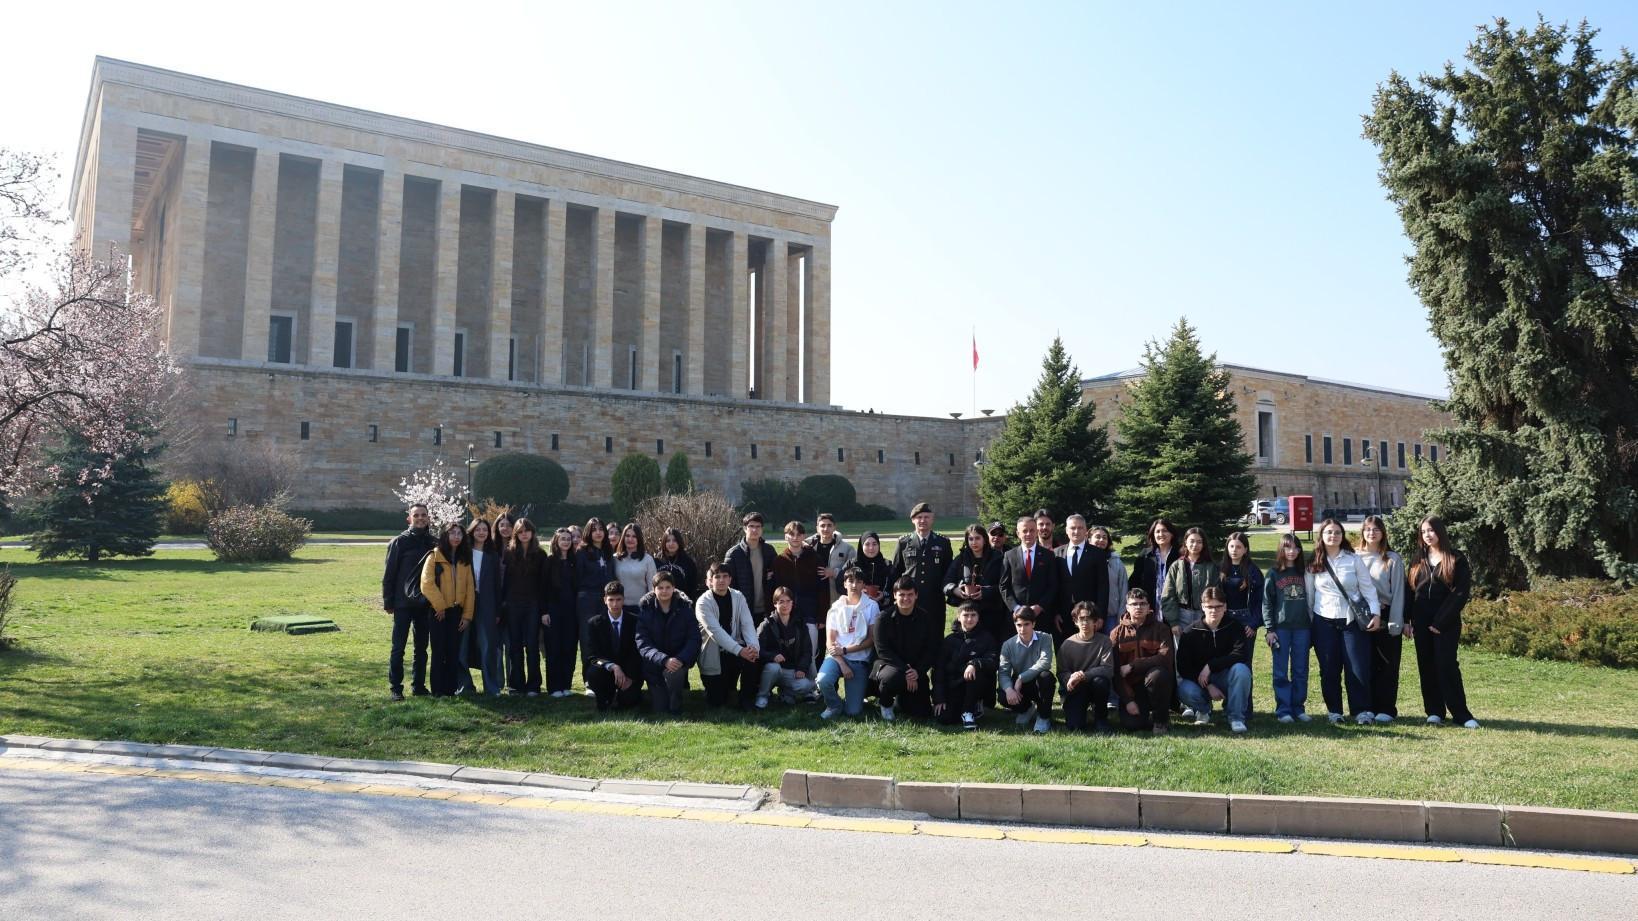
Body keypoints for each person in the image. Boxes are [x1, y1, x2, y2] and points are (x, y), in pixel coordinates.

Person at [1306, 517, 1381, 724]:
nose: (1333, 536)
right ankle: (1334, 712)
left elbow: (1367, 589)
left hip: (1351, 621)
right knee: (1329, 669)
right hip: (1324, 621)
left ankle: (1362, 711)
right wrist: (1311, 624)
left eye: (1337, 532)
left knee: (1357, 668)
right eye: (1329, 532)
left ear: (1342, 536)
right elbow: (1310, 596)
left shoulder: (1353, 559)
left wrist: (1375, 614)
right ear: (1321, 535)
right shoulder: (1314, 562)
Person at [1408, 516, 1478, 729]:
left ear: (1440, 531)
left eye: (1431, 530)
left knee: (1446, 665)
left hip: (1445, 624)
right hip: (1420, 622)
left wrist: (1440, 622)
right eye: (1423, 532)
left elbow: (1460, 593)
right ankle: (1434, 711)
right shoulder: (1417, 559)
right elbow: (1410, 591)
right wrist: (1407, 620)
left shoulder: (1455, 558)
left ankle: (1461, 713)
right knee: (1426, 666)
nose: (1427, 535)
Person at [1175, 587, 1252, 733]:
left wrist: (1210, 665)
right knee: (1184, 688)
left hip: (1227, 677)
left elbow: (1241, 654)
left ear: (1225, 607)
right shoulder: (1190, 632)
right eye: (1210, 606)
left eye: (1218, 606)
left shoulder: (1234, 626)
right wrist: (1208, 685)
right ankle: (1204, 710)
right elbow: (1183, 666)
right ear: (1203, 607)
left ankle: (1236, 717)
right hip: (1201, 681)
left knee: (1242, 671)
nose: (1214, 611)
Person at [381, 504, 436, 701]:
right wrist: (388, 601)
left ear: (428, 518)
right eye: (416, 515)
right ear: (409, 519)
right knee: (398, 647)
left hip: (425, 604)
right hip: (402, 603)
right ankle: (396, 688)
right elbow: (389, 574)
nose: (420, 518)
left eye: (423, 515)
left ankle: (419, 686)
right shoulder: (399, 542)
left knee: (422, 647)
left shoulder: (433, 543)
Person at [1358, 515, 1407, 723]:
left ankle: (1386, 708)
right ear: (1363, 532)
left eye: (1376, 529)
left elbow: (1398, 593)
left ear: (1383, 533)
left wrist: (1396, 622)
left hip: (1387, 615)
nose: (1372, 533)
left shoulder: (1392, 559)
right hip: (1361, 616)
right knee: (1365, 664)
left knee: (1387, 664)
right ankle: (1366, 707)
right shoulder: (1354, 557)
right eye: (1368, 529)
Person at [419, 520, 475, 697]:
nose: (456, 537)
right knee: (439, 651)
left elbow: (470, 589)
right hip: (438, 612)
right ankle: (437, 690)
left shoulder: (464, 559)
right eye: (452, 533)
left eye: (459, 534)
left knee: (453, 651)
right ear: (445, 535)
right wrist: (440, 606)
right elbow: (426, 584)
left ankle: (450, 689)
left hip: (457, 612)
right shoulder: (434, 556)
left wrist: (467, 615)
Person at [870, 579, 940, 720]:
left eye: (910, 594)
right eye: (901, 594)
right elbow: (883, 651)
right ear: (895, 595)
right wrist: (907, 670)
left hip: (915, 668)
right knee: (892, 678)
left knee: (922, 712)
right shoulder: (883, 618)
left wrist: (918, 671)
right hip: (889, 665)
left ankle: (900, 701)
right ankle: (886, 703)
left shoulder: (926, 618)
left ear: (916, 596)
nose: (906, 598)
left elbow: (931, 649)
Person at [695, 560, 760, 709]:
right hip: (714, 654)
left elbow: (747, 624)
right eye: (717, 577)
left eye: (725, 576)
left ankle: (747, 700)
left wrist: (753, 647)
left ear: (730, 579)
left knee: (753, 659)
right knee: (718, 701)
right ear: (710, 581)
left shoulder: (738, 596)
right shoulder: (703, 602)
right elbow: (715, 632)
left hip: (736, 650)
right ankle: (719, 689)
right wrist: (740, 650)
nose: (721, 580)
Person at [1262, 532, 1312, 723]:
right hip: (1281, 629)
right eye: (1287, 547)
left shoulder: (1304, 571)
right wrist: (1269, 628)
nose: (1291, 551)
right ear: (1281, 549)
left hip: (1302, 628)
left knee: (1300, 669)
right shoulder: (1273, 573)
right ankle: (1283, 709)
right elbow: (1267, 603)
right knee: (1280, 670)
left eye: (1295, 547)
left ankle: (1298, 707)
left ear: (1299, 550)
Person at [635, 570, 701, 716]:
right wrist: (664, 659)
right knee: (660, 708)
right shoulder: (645, 610)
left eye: (667, 587)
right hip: (654, 665)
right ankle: (663, 696)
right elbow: (642, 642)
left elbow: (694, 638)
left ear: (673, 588)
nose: (664, 591)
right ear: (653, 590)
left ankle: (676, 703)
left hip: (677, 663)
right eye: (660, 588)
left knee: (674, 675)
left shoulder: (685, 609)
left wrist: (680, 659)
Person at [816, 567, 878, 719]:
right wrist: (842, 663)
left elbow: (871, 640)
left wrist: (845, 650)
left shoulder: (871, 606)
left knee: (853, 712)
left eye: (858, 582)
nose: (854, 585)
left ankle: (851, 702)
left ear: (864, 585)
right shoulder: (836, 607)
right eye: (850, 581)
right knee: (822, 680)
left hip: (859, 660)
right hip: (836, 658)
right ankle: (834, 705)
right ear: (844, 584)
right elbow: (830, 642)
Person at [1111, 588, 1174, 733]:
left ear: (1148, 607)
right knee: (1132, 725)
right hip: (1131, 688)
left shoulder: (1162, 629)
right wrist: (1128, 700)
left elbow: (1165, 658)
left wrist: (1133, 666)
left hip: (1154, 681)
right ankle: (1143, 715)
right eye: (1134, 604)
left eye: (1142, 604)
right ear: (1127, 607)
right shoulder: (1116, 633)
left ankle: (1160, 720)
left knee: (1158, 675)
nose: (1138, 607)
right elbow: (1115, 671)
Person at [498, 517, 547, 696]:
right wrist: (502, 604)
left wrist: (543, 609)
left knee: (532, 645)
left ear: (532, 532)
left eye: (526, 530)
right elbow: (505, 582)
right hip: (513, 605)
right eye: (520, 531)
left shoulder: (540, 554)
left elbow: (543, 584)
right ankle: (516, 684)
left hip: (533, 604)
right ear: (515, 534)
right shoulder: (508, 553)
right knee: (515, 645)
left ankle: (534, 685)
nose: (523, 534)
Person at [934, 603, 999, 729]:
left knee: (975, 672)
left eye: (973, 615)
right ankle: (965, 708)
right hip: (955, 685)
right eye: (966, 615)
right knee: (945, 718)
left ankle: (968, 711)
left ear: (978, 617)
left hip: (977, 684)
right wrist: (939, 698)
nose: (969, 619)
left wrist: (974, 663)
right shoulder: (949, 640)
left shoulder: (987, 638)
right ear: (958, 617)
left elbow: (993, 660)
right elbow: (939, 669)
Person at [888, 502, 953, 629]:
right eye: (919, 517)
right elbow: (895, 572)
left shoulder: (943, 542)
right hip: (909, 599)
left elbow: (948, 571)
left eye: (926, 517)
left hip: (934, 599)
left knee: (935, 634)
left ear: (932, 519)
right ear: (913, 520)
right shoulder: (903, 542)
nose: (923, 520)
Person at [582, 581, 643, 711]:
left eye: (618, 600)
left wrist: (630, 677)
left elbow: (637, 651)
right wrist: (613, 666)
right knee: (593, 672)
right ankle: (605, 697)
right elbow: (592, 656)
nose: (615, 604)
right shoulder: (594, 623)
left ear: (623, 600)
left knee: (629, 701)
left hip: (628, 672)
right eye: (611, 600)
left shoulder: (635, 621)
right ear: (605, 600)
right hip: (605, 671)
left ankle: (622, 696)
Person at [1219, 530, 1263, 710]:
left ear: (1245, 549)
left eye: (1238, 547)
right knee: (1226, 663)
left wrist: (1254, 623)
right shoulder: (1221, 570)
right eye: (1231, 546)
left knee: (1244, 665)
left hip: (1246, 623)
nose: (1234, 550)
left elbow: (1261, 601)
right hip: (1225, 622)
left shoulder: (1253, 571)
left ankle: (1245, 707)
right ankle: (1228, 704)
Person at [944, 523, 1007, 647]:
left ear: (984, 539)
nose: (974, 542)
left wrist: (985, 592)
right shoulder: (960, 559)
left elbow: (1005, 584)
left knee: (991, 647)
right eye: (971, 539)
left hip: (991, 612)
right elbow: (946, 582)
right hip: (967, 612)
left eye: (977, 538)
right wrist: (955, 590)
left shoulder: (998, 558)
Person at [772, 520, 824, 670]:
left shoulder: (814, 558)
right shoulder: (779, 561)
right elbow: (774, 590)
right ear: (785, 537)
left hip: (810, 614)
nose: (795, 537)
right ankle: (788, 689)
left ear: (803, 536)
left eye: (798, 534)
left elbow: (822, 588)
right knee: (789, 653)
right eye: (791, 534)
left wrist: (821, 615)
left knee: (811, 653)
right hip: (787, 615)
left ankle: (813, 688)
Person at [1057, 602, 1115, 733]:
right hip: (1076, 687)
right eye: (1081, 619)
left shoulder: (1104, 641)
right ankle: (1080, 711)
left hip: (1096, 684)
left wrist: (1083, 675)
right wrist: (1070, 678)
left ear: (1095, 621)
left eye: (1088, 619)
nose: (1085, 623)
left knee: (1100, 681)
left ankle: (1101, 718)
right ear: (1075, 621)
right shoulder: (1067, 644)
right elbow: (1061, 672)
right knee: (1075, 726)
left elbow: (1107, 668)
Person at [573, 518, 617, 695]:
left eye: (601, 529)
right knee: (588, 640)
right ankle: (589, 681)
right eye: (594, 530)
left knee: (606, 639)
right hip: (587, 600)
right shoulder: (582, 552)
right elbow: (577, 578)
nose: (598, 532)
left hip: (606, 601)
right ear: (588, 533)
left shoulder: (608, 551)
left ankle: (607, 680)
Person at [756, 586, 817, 707]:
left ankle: (786, 693)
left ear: (792, 603)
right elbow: (758, 649)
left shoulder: (800, 624)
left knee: (806, 685)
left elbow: (807, 651)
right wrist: (772, 656)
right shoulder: (766, 625)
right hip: (773, 670)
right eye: (781, 602)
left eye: (788, 601)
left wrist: (801, 668)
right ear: (775, 604)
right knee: (773, 668)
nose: (785, 605)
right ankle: (762, 695)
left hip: (792, 671)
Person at [1000, 516, 1059, 641]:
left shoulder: (1048, 555)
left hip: (1041, 616)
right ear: (1018, 533)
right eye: (1024, 531)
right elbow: (1003, 586)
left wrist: (1040, 606)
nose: (1028, 534)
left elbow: (1053, 585)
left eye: (1032, 530)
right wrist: (1016, 608)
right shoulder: (1009, 555)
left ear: (1037, 532)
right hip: (1016, 617)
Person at [1056, 514, 1110, 650]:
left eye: (1080, 528)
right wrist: (1055, 612)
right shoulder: (1056, 553)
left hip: (1090, 615)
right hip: (1064, 616)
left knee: (1090, 651)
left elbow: (1103, 587)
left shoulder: (1098, 554)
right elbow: (1054, 585)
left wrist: (1100, 615)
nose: (1076, 531)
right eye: (1072, 528)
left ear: (1086, 531)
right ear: (1066, 530)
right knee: (1066, 651)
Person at [998, 607, 1054, 733]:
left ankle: (1043, 716)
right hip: (1021, 687)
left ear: (1034, 623)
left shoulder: (1045, 638)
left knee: (1047, 677)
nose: (1022, 629)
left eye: (1026, 624)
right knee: (1002, 696)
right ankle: (1026, 709)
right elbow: (1003, 672)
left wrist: (1021, 677)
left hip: (1038, 681)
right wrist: (1008, 689)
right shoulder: (1008, 645)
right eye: (1019, 625)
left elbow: (1045, 662)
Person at [466, 518, 506, 696]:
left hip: (487, 604)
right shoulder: (464, 552)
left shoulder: (492, 555)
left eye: (485, 530)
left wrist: (497, 610)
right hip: (465, 602)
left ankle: (491, 686)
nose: (481, 532)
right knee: (463, 644)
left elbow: (498, 585)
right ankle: (465, 686)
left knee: (488, 645)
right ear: (472, 531)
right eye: (478, 529)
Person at [542, 527, 580, 698]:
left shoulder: (574, 561)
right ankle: (554, 687)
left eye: (568, 538)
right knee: (554, 649)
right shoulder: (549, 561)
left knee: (569, 648)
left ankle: (566, 685)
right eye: (562, 538)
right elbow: (541, 587)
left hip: (571, 611)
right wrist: (544, 612)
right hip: (553, 611)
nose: (565, 541)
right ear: (556, 541)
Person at [1162, 527, 1219, 635]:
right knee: (1183, 650)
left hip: (1204, 615)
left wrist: (1212, 616)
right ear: (1185, 543)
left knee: (1204, 650)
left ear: (1203, 544)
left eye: (1199, 542)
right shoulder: (1176, 566)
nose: (1195, 545)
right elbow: (1168, 595)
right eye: (1192, 541)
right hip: (1181, 616)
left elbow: (1216, 594)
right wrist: (1173, 622)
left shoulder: (1211, 567)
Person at [725, 512, 778, 625]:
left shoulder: (769, 551)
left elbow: (776, 576)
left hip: (766, 609)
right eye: (751, 526)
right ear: (745, 528)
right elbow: (729, 583)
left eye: (758, 526)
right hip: (743, 609)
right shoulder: (734, 554)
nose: (755, 530)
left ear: (762, 529)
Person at [1129, 518, 1180, 613]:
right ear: (1153, 534)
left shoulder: (1180, 555)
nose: (1161, 534)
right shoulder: (1145, 555)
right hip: (1149, 608)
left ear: (1172, 534)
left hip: (1174, 608)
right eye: (1157, 531)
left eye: (1165, 531)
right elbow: (1134, 580)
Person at [808, 512, 856, 608]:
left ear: (834, 527)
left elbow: (854, 573)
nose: (826, 529)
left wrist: (834, 572)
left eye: (829, 525)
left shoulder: (847, 549)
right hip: (814, 597)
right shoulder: (808, 547)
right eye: (822, 526)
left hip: (837, 598)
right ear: (817, 528)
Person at [1089, 526, 1129, 636]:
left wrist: (1121, 615)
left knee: (1111, 648)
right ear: (1089, 539)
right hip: (1088, 616)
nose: (1101, 540)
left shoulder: (1116, 562)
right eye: (1097, 537)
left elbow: (1123, 588)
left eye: (1104, 537)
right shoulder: (1084, 559)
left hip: (1111, 615)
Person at [614, 524, 659, 612]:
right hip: (618, 608)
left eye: (634, 536)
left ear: (639, 539)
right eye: (627, 536)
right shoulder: (615, 559)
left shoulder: (647, 560)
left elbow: (653, 587)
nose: (630, 539)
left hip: (641, 608)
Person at [656, 527, 700, 600]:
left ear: (679, 542)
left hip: (682, 603)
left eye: (674, 540)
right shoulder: (657, 561)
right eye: (668, 541)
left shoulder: (688, 562)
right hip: (661, 603)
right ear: (664, 543)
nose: (671, 543)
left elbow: (693, 587)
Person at [851, 531, 893, 604]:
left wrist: (884, 595)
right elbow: (841, 584)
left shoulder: (887, 565)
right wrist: (856, 590)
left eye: (874, 544)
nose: (871, 548)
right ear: (861, 546)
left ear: (878, 545)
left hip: (882, 608)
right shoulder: (852, 564)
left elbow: (896, 587)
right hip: (857, 607)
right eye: (867, 544)